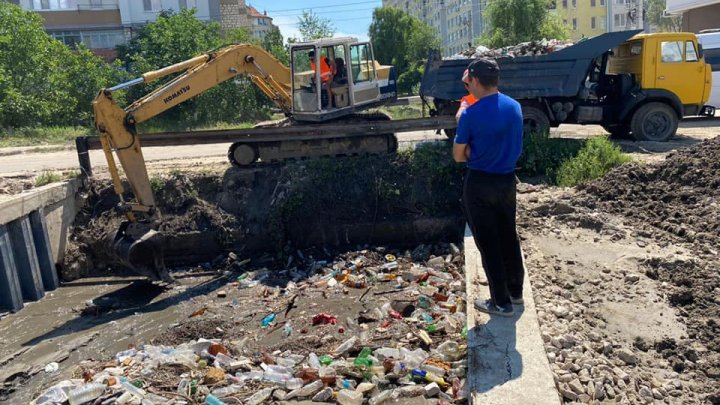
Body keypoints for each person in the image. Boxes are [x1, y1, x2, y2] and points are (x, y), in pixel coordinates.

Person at [453, 58, 525, 317]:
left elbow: (459, 155)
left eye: (468, 81)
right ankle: (516, 292)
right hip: (507, 181)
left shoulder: (470, 115)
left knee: (488, 243)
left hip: (480, 183)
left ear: (473, 80)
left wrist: (471, 147)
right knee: (508, 235)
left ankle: (500, 302)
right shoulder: (515, 107)